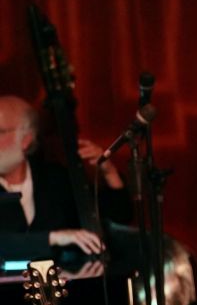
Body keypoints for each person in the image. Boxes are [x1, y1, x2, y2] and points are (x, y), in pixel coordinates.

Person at [0, 95, 133, 263]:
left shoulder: (55, 179)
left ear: (26, 139)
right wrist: (54, 237)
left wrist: (109, 172)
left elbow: (118, 217)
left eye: (0, 131)